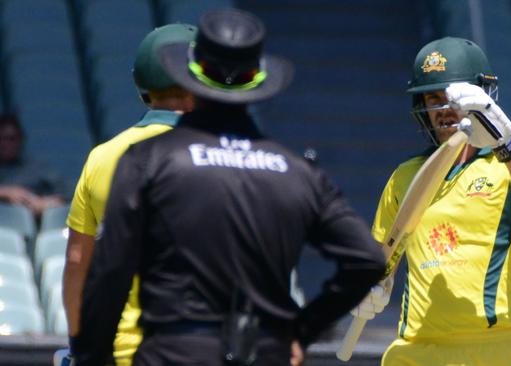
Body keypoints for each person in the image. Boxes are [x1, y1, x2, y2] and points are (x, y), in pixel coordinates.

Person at [71, 9, 386, 366]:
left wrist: (92, 357)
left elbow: (110, 272)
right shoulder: (297, 171)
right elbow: (367, 260)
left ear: (192, 72)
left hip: (174, 354)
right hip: (265, 353)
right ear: (259, 78)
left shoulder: (148, 160)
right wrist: (302, 330)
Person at [350, 37, 511, 366]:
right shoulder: (405, 177)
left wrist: (504, 143)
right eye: (433, 99)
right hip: (417, 350)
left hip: (493, 351)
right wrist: (366, 287)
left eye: (451, 98)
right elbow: (381, 255)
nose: (442, 110)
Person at [62, 23, 198, 366]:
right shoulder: (218, 155)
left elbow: (78, 263)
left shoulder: (103, 156)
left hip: (122, 353)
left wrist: (81, 346)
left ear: (142, 86)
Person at [0, 114, 67, 217]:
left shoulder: (36, 168)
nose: (5, 144)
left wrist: (43, 204)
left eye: (11, 139)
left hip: (33, 223)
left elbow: (63, 197)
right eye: (2, 138)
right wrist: (6, 192)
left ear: (21, 140)